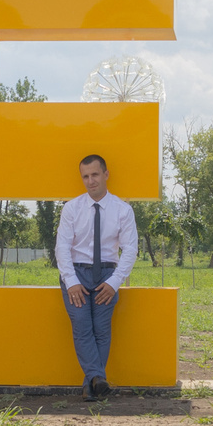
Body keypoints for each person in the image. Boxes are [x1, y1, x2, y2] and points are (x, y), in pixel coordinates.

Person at [56, 154, 137, 402]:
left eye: (95, 175)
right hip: (76, 273)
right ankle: (97, 379)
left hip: (107, 274)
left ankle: (91, 385)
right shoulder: (71, 208)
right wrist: (71, 282)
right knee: (82, 326)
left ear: (105, 174)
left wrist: (114, 283)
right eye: (85, 176)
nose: (90, 181)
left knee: (101, 330)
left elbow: (130, 249)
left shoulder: (123, 210)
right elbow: (61, 248)